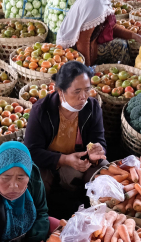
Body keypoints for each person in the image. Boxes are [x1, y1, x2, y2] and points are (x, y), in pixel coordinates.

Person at [23, 61, 108, 194]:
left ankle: (91, 205)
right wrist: (64, 160)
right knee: (35, 184)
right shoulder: (41, 110)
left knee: (104, 170)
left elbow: (99, 140)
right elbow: (31, 151)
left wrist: (95, 153)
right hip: (48, 163)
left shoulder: (92, 107)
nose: (83, 97)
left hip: (81, 161)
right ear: (60, 91)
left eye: (87, 90)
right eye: (77, 91)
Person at [56, 0, 130, 66]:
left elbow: (112, 27)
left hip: (88, 43)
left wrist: (134, 36)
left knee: (122, 41)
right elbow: (83, 41)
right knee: (121, 45)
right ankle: (113, 71)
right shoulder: (95, 3)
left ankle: (110, 70)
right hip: (73, 51)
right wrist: (87, 70)